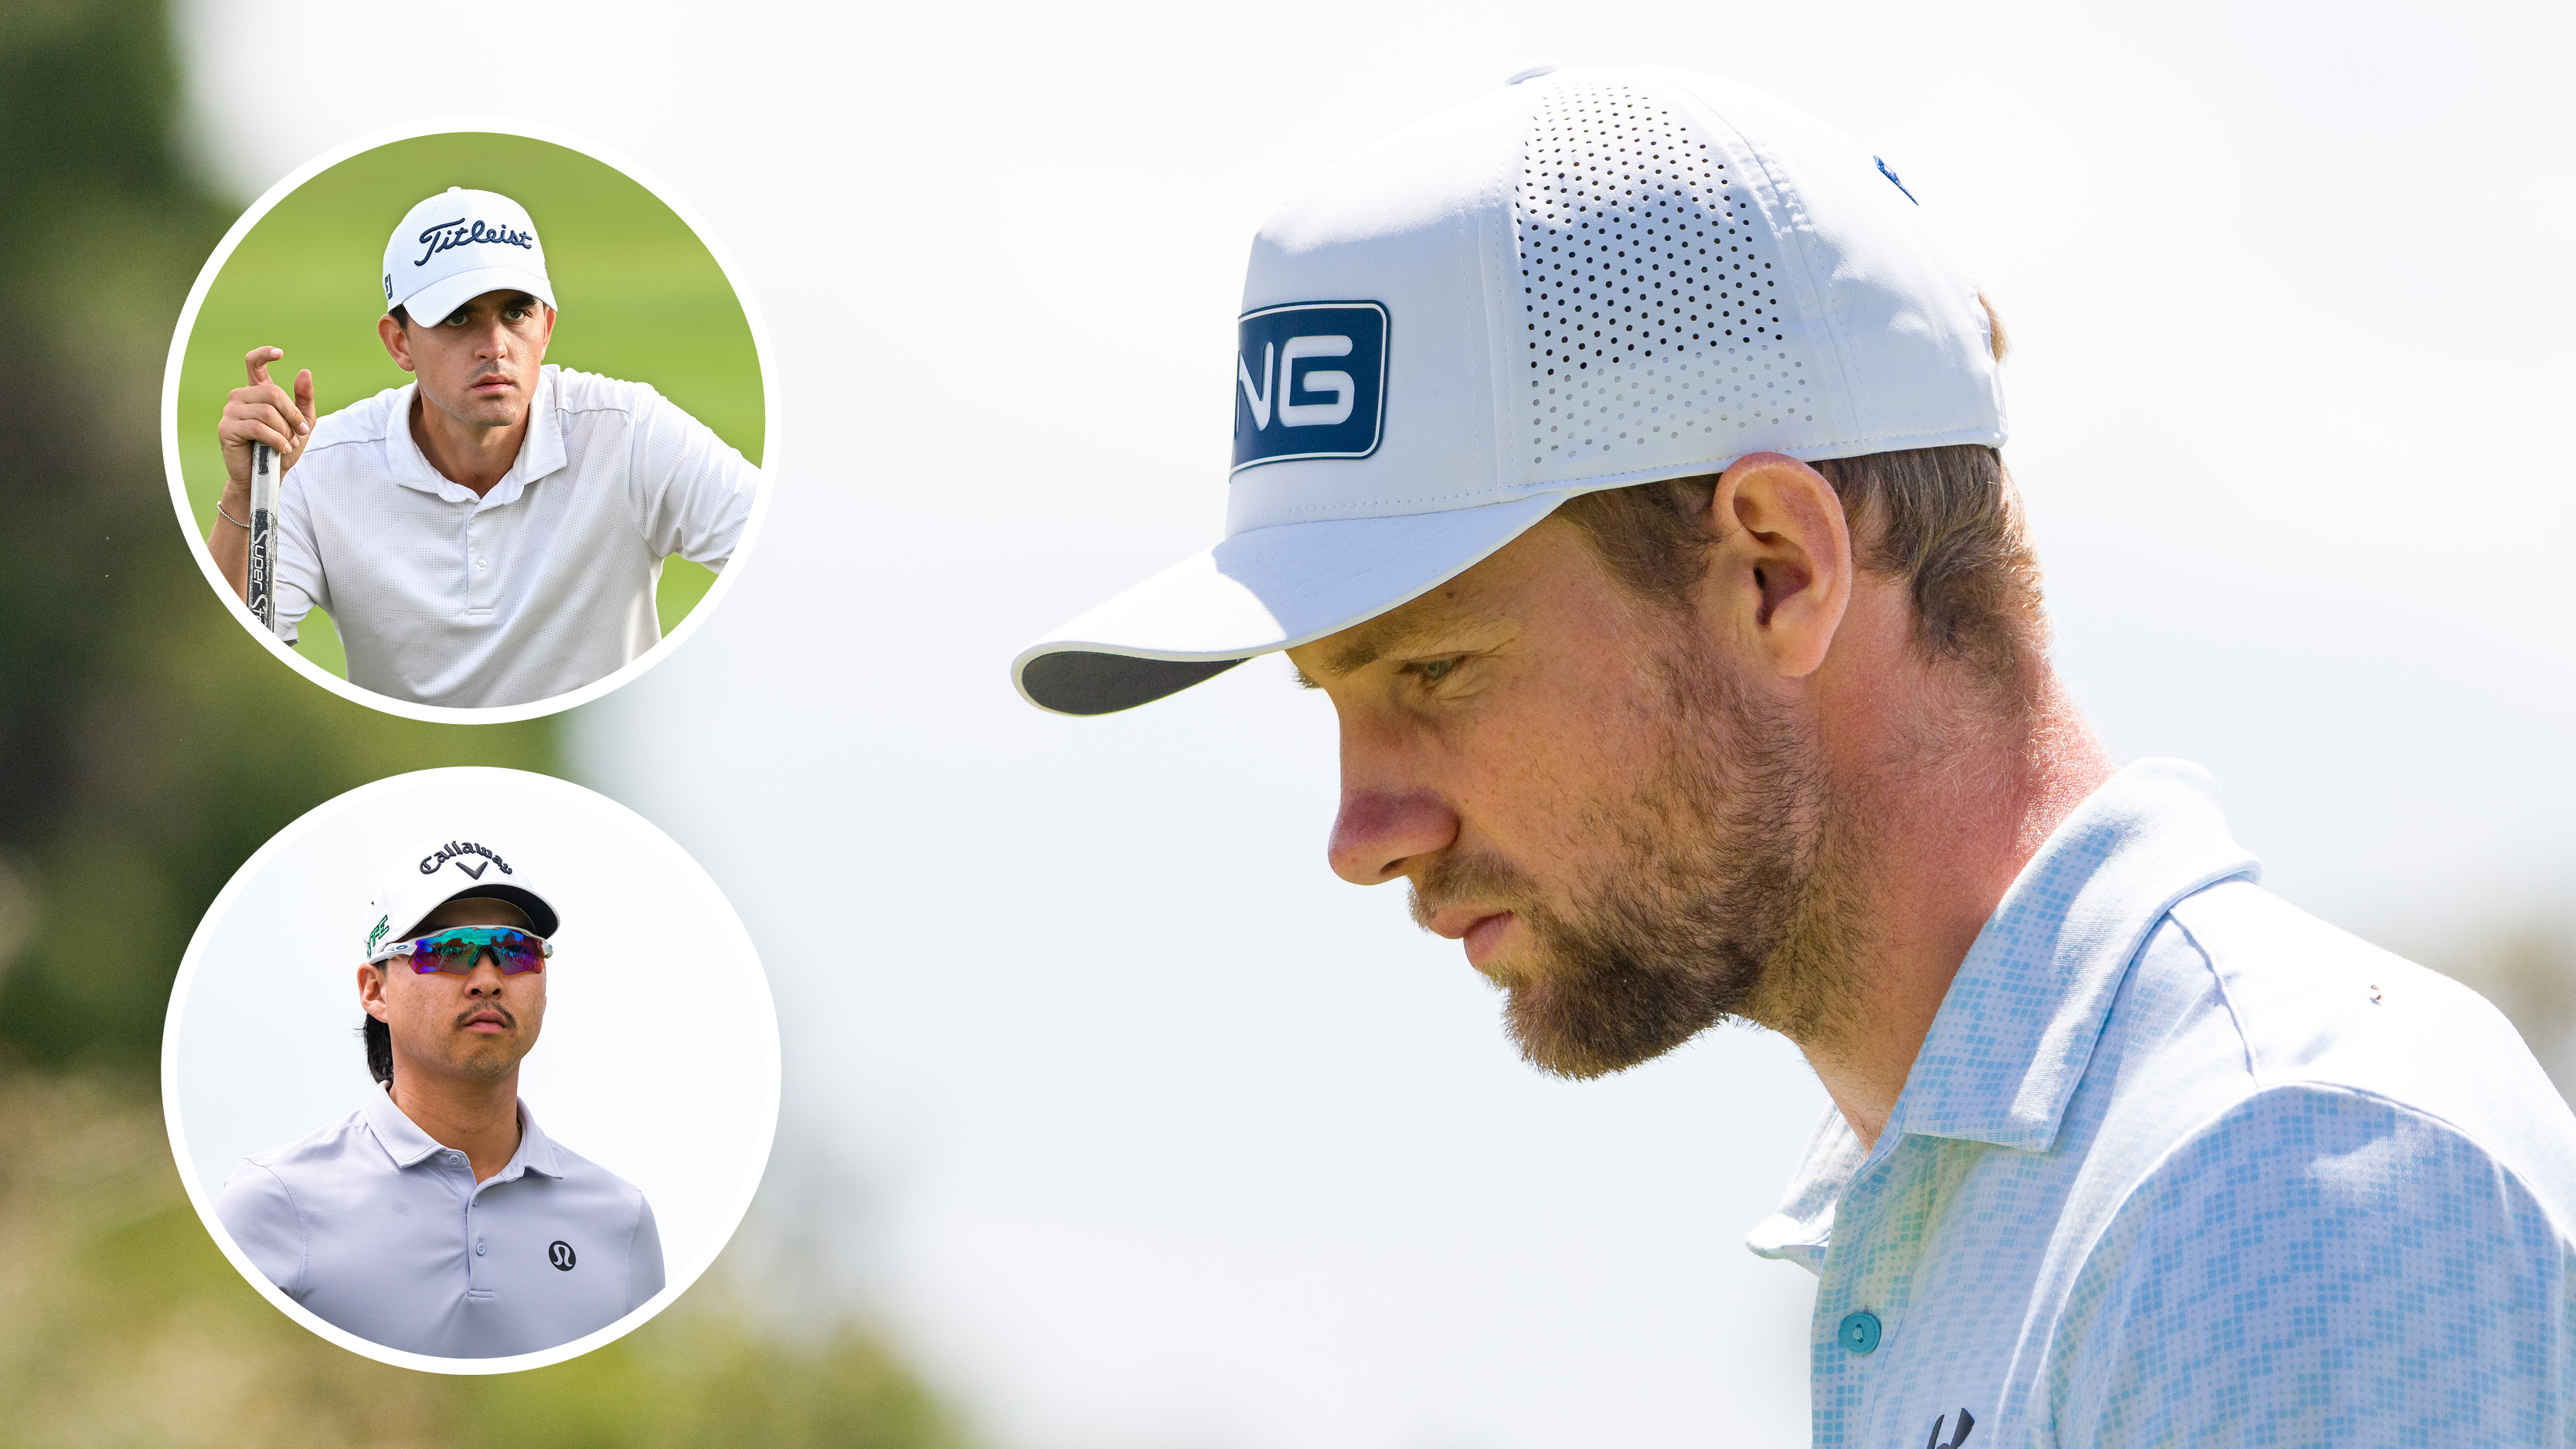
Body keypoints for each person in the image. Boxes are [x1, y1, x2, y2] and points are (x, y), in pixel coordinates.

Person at [1012, 66, 2576, 1444]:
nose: (1361, 831)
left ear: (1776, 566)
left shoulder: (2279, 1185)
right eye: (1326, 692)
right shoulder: (2007, 1201)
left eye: (1433, 665)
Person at [206, 186, 758, 709]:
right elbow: (232, 669)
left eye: (515, 312)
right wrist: (244, 491)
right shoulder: (318, 463)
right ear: (400, 343)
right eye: (459, 317)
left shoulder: (629, 430)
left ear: (546, 328)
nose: (495, 347)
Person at [215, 837, 664, 1359]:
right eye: (449, 951)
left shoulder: (621, 1219)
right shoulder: (275, 1203)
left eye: (517, 951)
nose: (489, 979)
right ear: (374, 990)